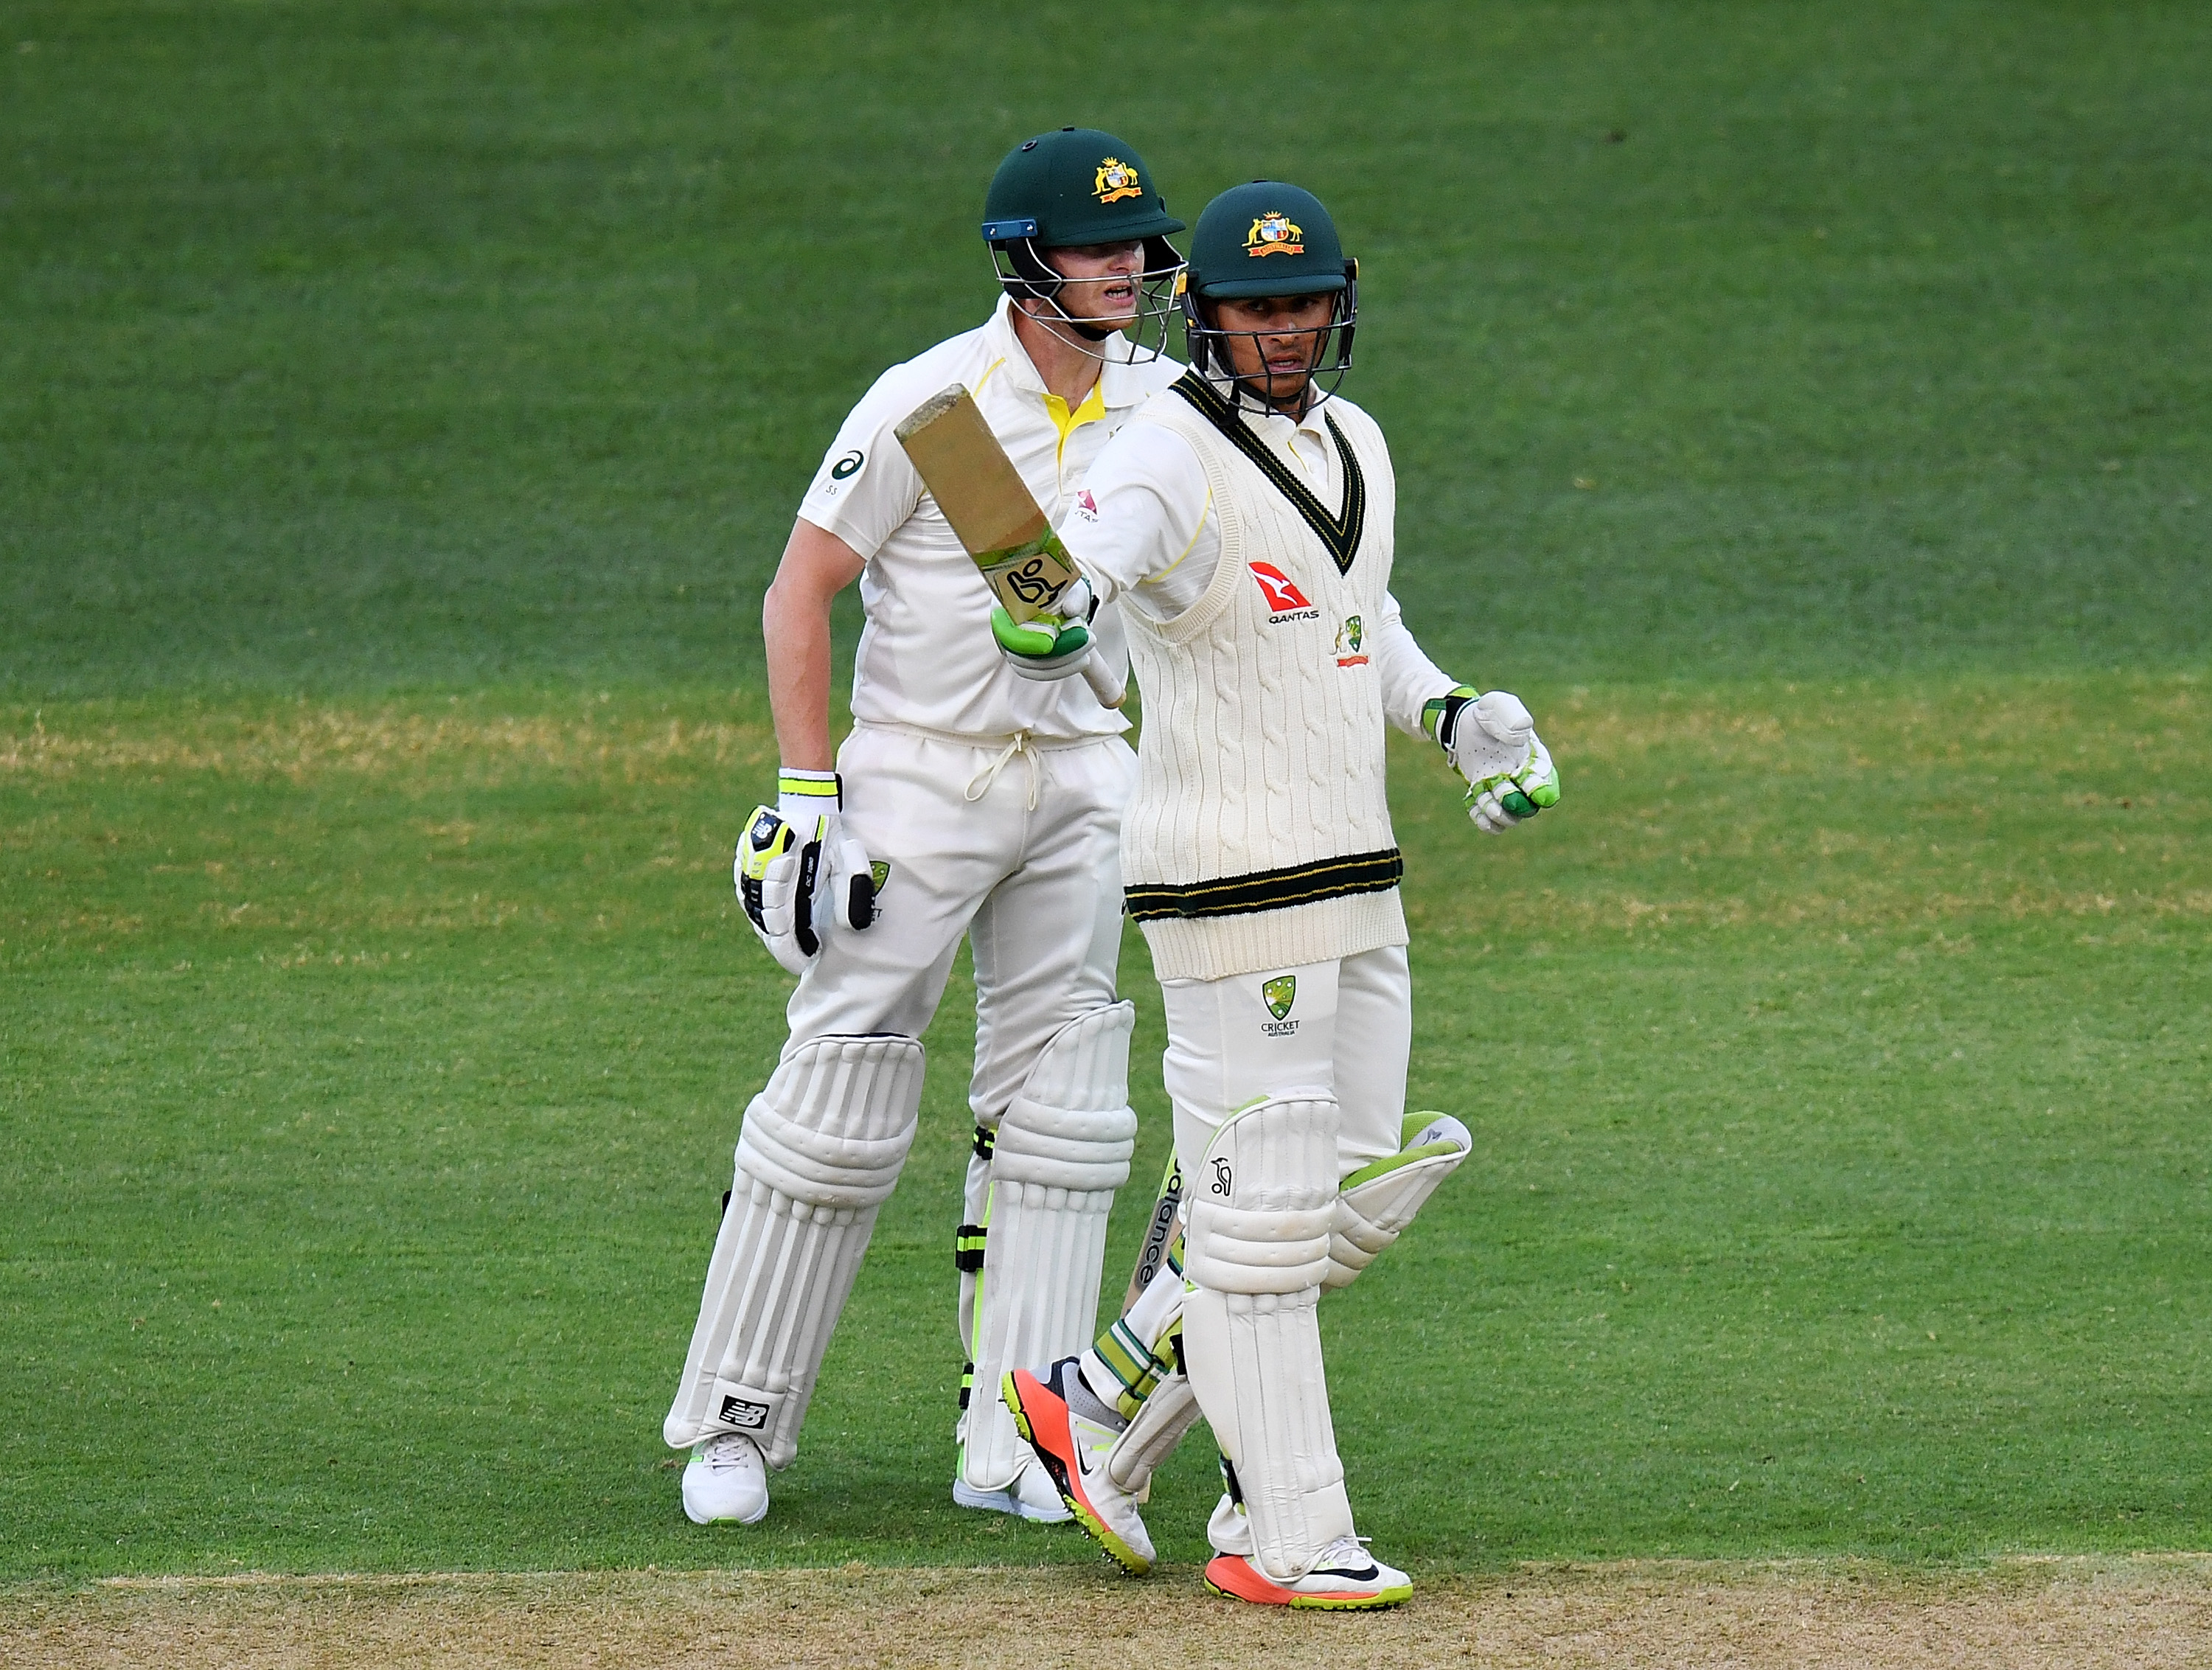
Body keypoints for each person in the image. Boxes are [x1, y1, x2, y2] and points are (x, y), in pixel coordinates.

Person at [998, 181, 1560, 1607]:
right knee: (1260, 1224)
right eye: (1257, 308)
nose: (1287, 329)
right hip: (1225, 883)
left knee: (1340, 1200)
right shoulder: (1162, 448)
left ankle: (1104, 1410)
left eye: (1305, 300)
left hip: (1359, 873)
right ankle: (1285, 1531)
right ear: (1208, 316)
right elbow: (1093, 557)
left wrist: (1453, 723)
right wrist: (1057, 598)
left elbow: (1358, 614)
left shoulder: (1359, 439)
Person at [661, 128, 1188, 1528]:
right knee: (838, 1094)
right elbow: (799, 593)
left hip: (1083, 772)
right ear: (1028, 265)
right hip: (919, 774)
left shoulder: (1174, 408)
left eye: (1136, 242)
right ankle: (735, 1424)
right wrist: (805, 796)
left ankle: (1017, 1443)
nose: (1128, 267)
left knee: (1064, 1111)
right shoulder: (931, 404)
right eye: (1095, 246)